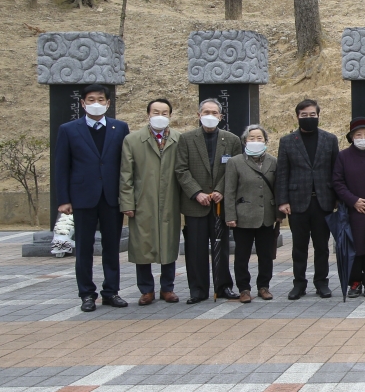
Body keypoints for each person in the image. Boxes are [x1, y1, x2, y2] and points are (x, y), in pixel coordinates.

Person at [55, 84, 131, 312]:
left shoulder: (120, 128)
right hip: (82, 197)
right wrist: (64, 199)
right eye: (90, 99)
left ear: (108, 103)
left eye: (100, 99)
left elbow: (126, 165)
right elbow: (61, 166)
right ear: (82, 103)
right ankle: (87, 294)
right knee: (84, 249)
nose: (95, 102)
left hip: (111, 197)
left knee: (111, 247)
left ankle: (111, 292)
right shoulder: (68, 129)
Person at [175, 99, 242, 303]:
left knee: (221, 247)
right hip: (196, 204)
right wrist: (197, 192)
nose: (210, 115)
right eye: (206, 112)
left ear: (221, 117)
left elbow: (235, 167)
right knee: (195, 250)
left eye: (214, 112)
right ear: (198, 115)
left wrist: (220, 189)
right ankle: (198, 289)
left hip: (220, 204)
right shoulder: (186, 139)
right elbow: (181, 169)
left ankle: (223, 286)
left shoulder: (232, 140)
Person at [120, 98, 182, 306]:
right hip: (143, 201)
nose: (160, 116)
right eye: (156, 112)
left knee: (169, 243)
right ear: (148, 114)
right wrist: (127, 203)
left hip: (170, 200)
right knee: (142, 246)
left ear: (170, 116)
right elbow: (126, 175)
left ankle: (168, 288)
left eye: (164, 113)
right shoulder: (133, 140)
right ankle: (146, 290)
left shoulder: (178, 139)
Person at [276, 100, 339, 299]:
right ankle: (299, 284)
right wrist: (283, 201)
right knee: (299, 247)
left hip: (323, 201)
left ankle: (322, 283)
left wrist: (337, 199)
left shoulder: (330, 139)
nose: (309, 118)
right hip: (297, 203)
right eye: (304, 115)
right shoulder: (287, 141)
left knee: (322, 246)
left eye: (312, 114)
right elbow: (282, 173)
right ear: (297, 116)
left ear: (318, 116)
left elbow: (336, 171)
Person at [224, 125, 277, 302]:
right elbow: (229, 190)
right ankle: (244, 288)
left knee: (266, 254)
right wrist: (230, 215)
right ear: (245, 141)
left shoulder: (272, 161)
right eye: (251, 138)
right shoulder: (235, 162)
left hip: (266, 215)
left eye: (259, 138)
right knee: (242, 255)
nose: (255, 141)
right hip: (243, 216)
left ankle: (264, 286)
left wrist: (279, 213)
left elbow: (277, 188)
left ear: (265, 141)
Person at [333, 118, 365, 297]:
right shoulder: (343, 156)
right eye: (358, 135)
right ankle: (354, 282)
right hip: (353, 211)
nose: (363, 138)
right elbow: (337, 182)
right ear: (351, 137)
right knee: (354, 247)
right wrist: (353, 200)